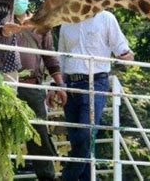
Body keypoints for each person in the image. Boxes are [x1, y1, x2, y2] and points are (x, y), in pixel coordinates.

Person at [58, 10, 134, 181]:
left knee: (85, 134)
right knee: (76, 138)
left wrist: (126, 56)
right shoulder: (66, 22)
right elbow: (60, 58)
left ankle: (68, 177)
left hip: (96, 81)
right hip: (70, 84)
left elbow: (122, 49)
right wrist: (57, 86)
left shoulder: (106, 18)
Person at [14, 0, 68, 181]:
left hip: (32, 85)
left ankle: (47, 177)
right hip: (6, 85)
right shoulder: (0, 23)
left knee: (39, 135)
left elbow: (50, 58)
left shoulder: (40, 25)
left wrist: (59, 84)